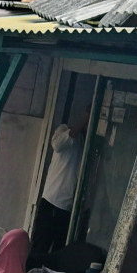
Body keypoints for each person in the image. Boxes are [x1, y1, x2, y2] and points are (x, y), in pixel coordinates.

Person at [31, 108, 90, 254]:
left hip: (70, 208)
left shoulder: (87, 143)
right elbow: (57, 145)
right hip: (53, 202)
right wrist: (83, 121)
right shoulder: (64, 130)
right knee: (40, 248)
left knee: (59, 252)